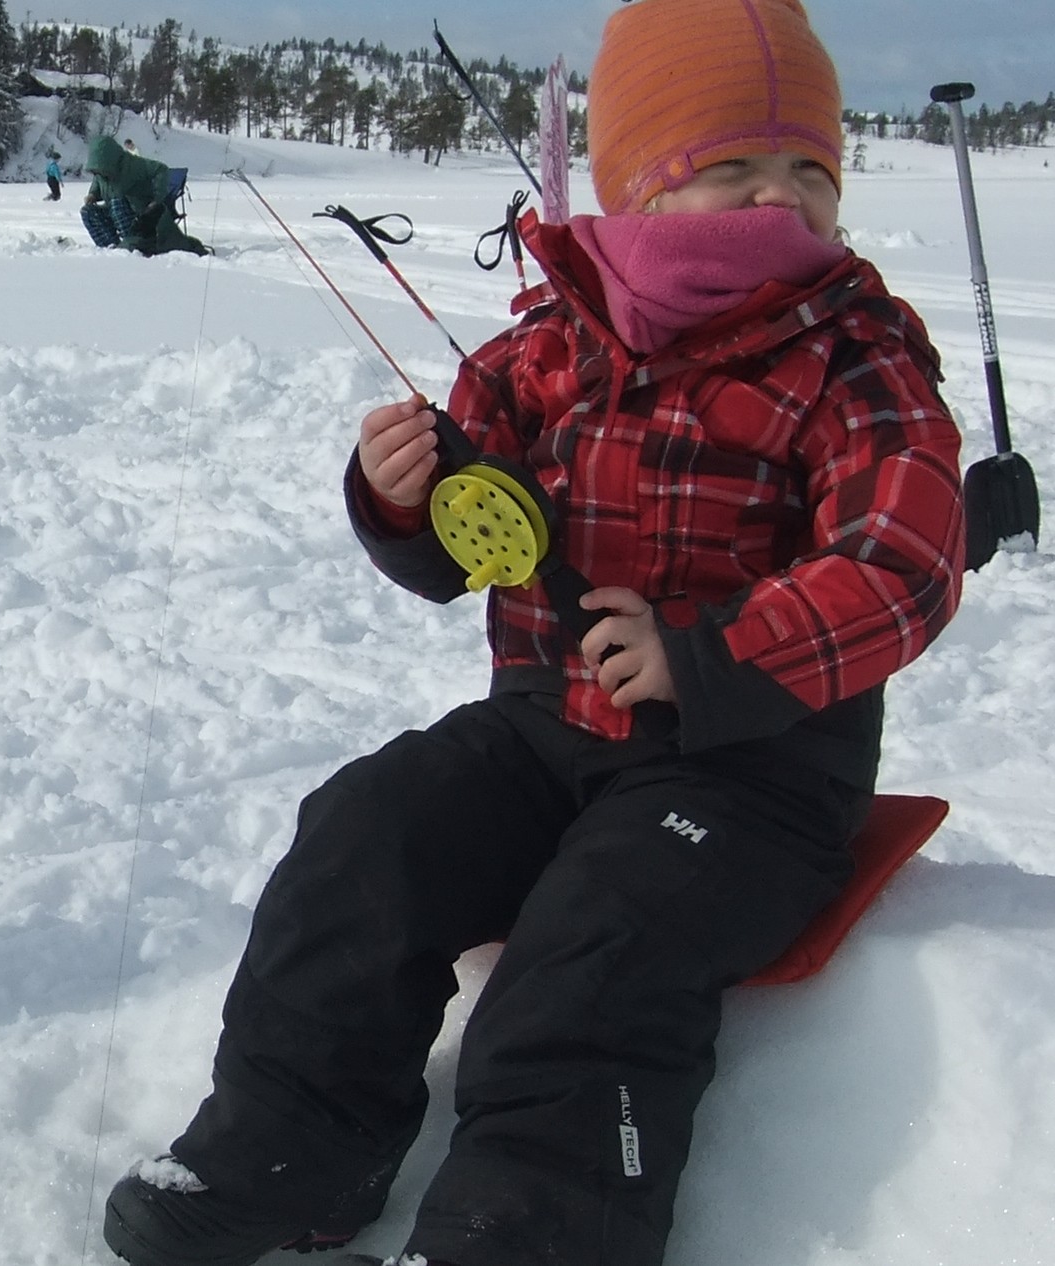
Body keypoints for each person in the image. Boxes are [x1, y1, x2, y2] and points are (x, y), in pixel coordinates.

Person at [101, 2, 965, 1265]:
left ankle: (526, 1232)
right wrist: (401, 496)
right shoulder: (544, 345)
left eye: (812, 177)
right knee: (363, 832)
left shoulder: (855, 354)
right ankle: (290, 1152)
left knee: (600, 941)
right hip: (544, 729)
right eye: (734, 171)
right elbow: (466, 541)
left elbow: (906, 559)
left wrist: (716, 650)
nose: (781, 204)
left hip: (750, 772)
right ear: (635, 185)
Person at [79, 135, 208, 256]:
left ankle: (132, 245)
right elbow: (98, 180)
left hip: (141, 215)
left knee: (117, 203)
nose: (99, 173)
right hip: (115, 212)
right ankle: (112, 248)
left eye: (100, 170)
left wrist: (156, 199)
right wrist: (93, 194)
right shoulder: (102, 173)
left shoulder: (134, 164)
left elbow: (160, 169)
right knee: (88, 212)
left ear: (109, 161)